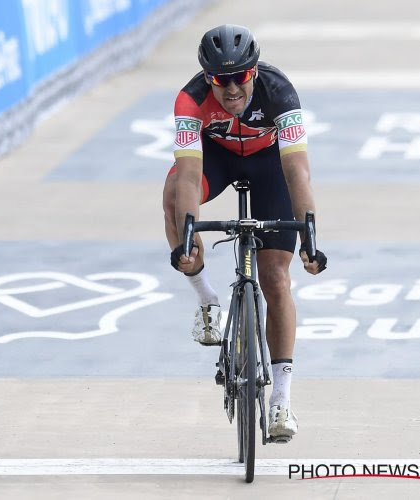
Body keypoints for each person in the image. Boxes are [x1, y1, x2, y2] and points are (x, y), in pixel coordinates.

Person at [162, 24, 327, 442]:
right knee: (172, 198)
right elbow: (189, 175)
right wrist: (186, 233)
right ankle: (206, 300)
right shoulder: (190, 100)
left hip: (269, 164)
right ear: (206, 78)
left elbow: (297, 171)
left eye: (240, 77)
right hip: (216, 159)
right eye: (220, 80)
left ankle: (281, 401)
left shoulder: (279, 91)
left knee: (274, 278)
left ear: (253, 72)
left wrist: (308, 234)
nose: (232, 88)